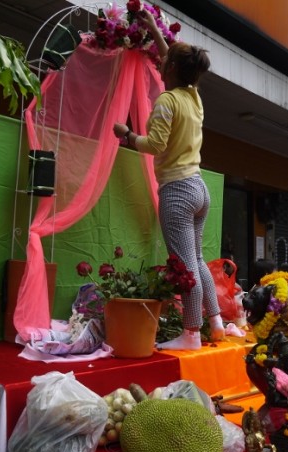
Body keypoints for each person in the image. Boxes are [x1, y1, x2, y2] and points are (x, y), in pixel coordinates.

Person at [113, 12, 223, 349]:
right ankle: (216, 322)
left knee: (185, 265)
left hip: (177, 190)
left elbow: (155, 144)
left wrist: (128, 135)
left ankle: (191, 334)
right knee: (198, 261)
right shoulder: (193, 97)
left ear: (171, 69)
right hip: (198, 187)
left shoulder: (167, 101)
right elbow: (170, 57)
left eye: (166, 62)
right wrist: (152, 30)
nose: (161, 64)